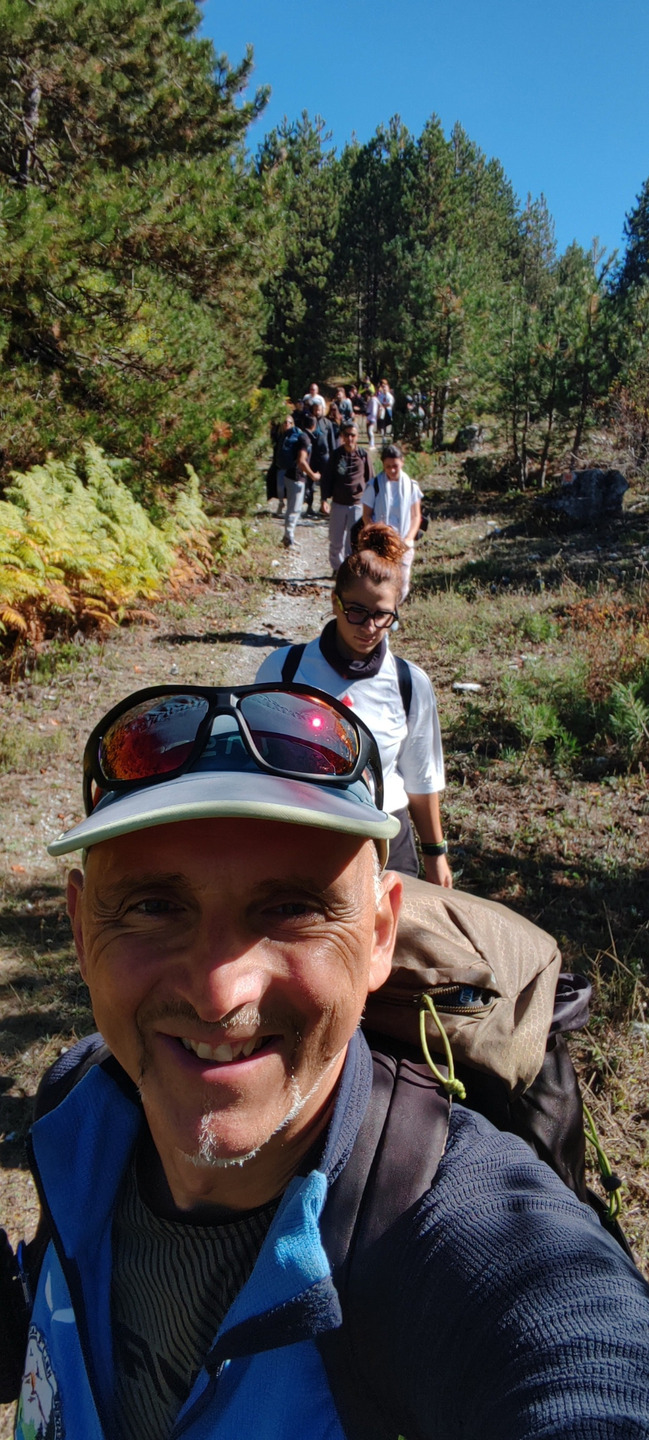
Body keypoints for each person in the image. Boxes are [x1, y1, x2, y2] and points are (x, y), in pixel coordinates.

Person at [8, 681, 649, 1439]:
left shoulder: (453, 1237)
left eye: (292, 908)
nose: (218, 993)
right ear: (82, 931)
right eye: (153, 906)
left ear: (379, 937)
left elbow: (585, 1358)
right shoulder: (79, 1104)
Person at [256, 525, 451, 885]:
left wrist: (435, 853)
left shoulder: (410, 683)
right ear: (336, 602)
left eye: (383, 615)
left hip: (387, 836)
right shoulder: (283, 669)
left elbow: (421, 777)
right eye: (357, 611)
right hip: (305, 832)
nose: (370, 627)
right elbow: (256, 764)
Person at [362, 443, 423, 598]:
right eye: (388, 466)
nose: (392, 470)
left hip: (403, 543)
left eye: (395, 466)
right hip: (381, 542)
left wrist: (408, 539)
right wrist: (377, 532)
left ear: (402, 462)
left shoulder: (411, 486)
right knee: (382, 581)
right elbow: (366, 515)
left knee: (402, 584)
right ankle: (385, 609)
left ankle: (395, 607)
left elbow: (416, 516)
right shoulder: (374, 485)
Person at [321, 422, 373, 575]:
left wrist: (371, 504)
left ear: (357, 437)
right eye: (347, 435)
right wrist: (324, 499)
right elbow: (327, 478)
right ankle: (337, 568)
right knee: (335, 540)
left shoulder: (363, 455)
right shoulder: (336, 455)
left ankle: (349, 570)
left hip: (357, 505)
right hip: (338, 503)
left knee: (353, 541)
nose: (350, 438)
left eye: (353, 435)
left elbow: (370, 480)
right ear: (342, 436)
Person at [282, 413, 320, 548]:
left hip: (289, 475)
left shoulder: (300, 436)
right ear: (314, 426)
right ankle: (288, 539)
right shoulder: (305, 439)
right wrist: (313, 475)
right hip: (297, 477)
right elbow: (301, 461)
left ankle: (288, 535)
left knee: (292, 507)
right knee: (294, 509)